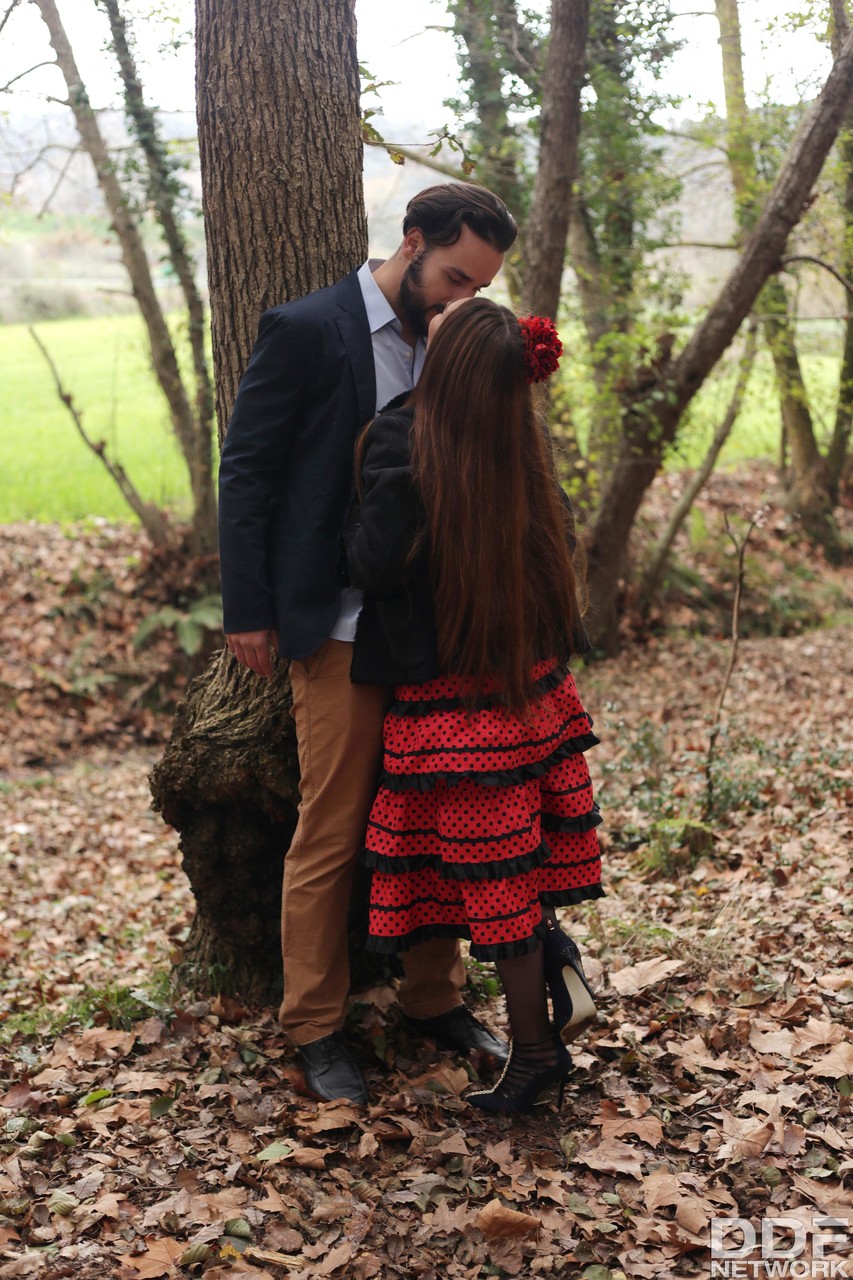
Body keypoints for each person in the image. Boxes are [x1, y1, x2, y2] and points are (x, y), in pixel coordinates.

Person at [218, 185, 518, 1106]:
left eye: (479, 288)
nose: (461, 298)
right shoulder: (306, 329)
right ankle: (313, 1023)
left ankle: (435, 999)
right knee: (333, 829)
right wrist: (248, 609)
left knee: (437, 821)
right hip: (337, 626)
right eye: (455, 277)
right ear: (412, 241)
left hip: (434, 629)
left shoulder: (452, 339)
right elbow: (248, 469)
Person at [345, 297, 604, 1115]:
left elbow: (372, 564)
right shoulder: (518, 444)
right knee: (512, 867)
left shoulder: (407, 443)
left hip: (455, 716)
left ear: (448, 371)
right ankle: (551, 961)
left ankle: (536, 1054)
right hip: (530, 693)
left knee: (493, 890)